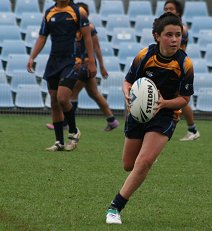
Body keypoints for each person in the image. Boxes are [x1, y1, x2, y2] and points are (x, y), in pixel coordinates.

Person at [105, 12, 194, 224]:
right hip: (138, 114)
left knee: (143, 163)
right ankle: (149, 155)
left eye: (178, 35)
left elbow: (184, 98)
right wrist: (128, 94)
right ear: (157, 36)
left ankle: (115, 208)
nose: (174, 40)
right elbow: (127, 82)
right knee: (129, 165)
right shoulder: (145, 55)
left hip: (165, 115)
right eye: (169, 35)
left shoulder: (185, 64)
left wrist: (164, 104)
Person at [27, 0, 97, 151]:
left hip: (72, 61)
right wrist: (32, 57)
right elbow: (42, 37)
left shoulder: (79, 11)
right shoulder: (49, 12)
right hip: (53, 62)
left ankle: (73, 131)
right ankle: (59, 141)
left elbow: (87, 37)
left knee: (62, 98)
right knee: (54, 101)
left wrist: (91, 61)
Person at [46, 2, 119, 132]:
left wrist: (101, 66)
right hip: (85, 64)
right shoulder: (77, 26)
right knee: (94, 93)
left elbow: (95, 47)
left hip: (82, 65)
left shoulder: (87, 28)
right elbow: (96, 47)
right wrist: (100, 66)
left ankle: (65, 123)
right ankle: (112, 120)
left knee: (71, 94)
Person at [163, 0, 200, 141]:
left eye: (171, 8)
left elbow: (176, 49)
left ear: (178, 12)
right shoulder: (165, 27)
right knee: (177, 100)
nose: (167, 10)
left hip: (176, 67)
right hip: (168, 66)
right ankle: (191, 129)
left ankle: (192, 129)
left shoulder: (181, 29)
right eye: (166, 8)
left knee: (181, 100)